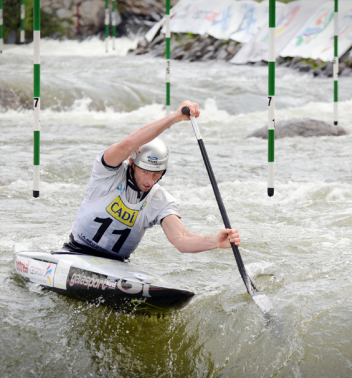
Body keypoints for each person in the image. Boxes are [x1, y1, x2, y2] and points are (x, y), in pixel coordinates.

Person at [65, 100, 241, 261]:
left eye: (157, 174)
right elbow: (129, 143)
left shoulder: (161, 200)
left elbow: (181, 239)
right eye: (145, 171)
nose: (150, 180)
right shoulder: (108, 172)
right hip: (76, 251)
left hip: (117, 265)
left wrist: (214, 241)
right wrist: (175, 117)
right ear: (132, 162)